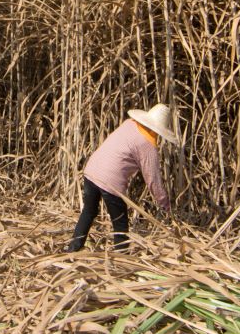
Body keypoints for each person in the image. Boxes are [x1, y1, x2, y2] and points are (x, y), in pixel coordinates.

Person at [67, 102, 178, 252]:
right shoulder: (147, 145)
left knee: (88, 211)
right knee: (120, 223)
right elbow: (153, 179)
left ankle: (73, 248)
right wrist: (165, 204)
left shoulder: (129, 124)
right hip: (111, 182)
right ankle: (121, 256)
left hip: (92, 170)